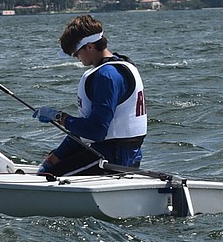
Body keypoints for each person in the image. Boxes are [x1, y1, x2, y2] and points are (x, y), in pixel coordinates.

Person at [32, 14, 147, 176]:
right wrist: (55, 157)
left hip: (111, 158)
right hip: (122, 154)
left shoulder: (106, 75)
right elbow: (85, 132)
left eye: (76, 53)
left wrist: (59, 117)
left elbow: (96, 131)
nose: (76, 58)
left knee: (48, 177)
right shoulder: (124, 64)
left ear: (90, 46)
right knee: (51, 166)